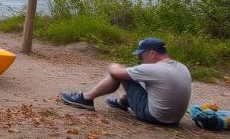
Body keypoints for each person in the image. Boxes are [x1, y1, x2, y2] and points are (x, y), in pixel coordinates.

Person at [59, 37, 192, 127]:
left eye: (141, 56)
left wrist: (113, 65)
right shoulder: (181, 67)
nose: (140, 60)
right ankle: (122, 101)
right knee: (138, 80)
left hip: (156, 117)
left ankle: (85, 98)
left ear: (152, 54)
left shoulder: (154, 69)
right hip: (174, 120)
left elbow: (116, 73)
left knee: (121, 75)